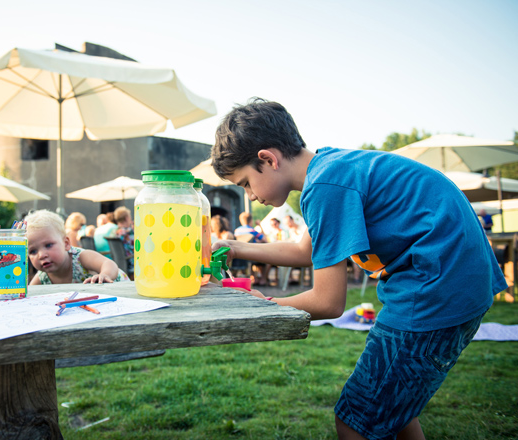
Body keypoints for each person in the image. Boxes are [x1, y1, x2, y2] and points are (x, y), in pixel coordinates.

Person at [210, 98, 506, 440]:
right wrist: (236, 246)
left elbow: (328, 301)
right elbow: (306, 251)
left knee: (355, 423)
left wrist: (261, 306)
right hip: (459, 284)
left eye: (245, 183)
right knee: (396, 410)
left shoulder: (324, 186)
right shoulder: (329, 169)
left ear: (268, 159)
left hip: (436, 290)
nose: (250, 196)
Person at [25, 209, 129, 285]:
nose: (41, 255)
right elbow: (31, 292)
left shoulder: (80, 257)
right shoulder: (43, 276)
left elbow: (109, 263)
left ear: (66, 244)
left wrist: (105, 275)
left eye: (48, 245)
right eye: (33, 251)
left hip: (121, 291)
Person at [234, 211, 270, 285]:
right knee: (268, 260)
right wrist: (260, 226)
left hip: (240, 257)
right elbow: (265, 240)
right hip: (251, 255)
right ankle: (263, 279)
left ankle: (254, 278)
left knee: (252, 260)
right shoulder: (252, 230)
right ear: (251, 221)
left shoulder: (236, 231)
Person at [113, 206, 135, 274]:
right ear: (127, 218)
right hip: (131, 263)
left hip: (118, 264)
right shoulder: (128, 232)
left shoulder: (114, 231)